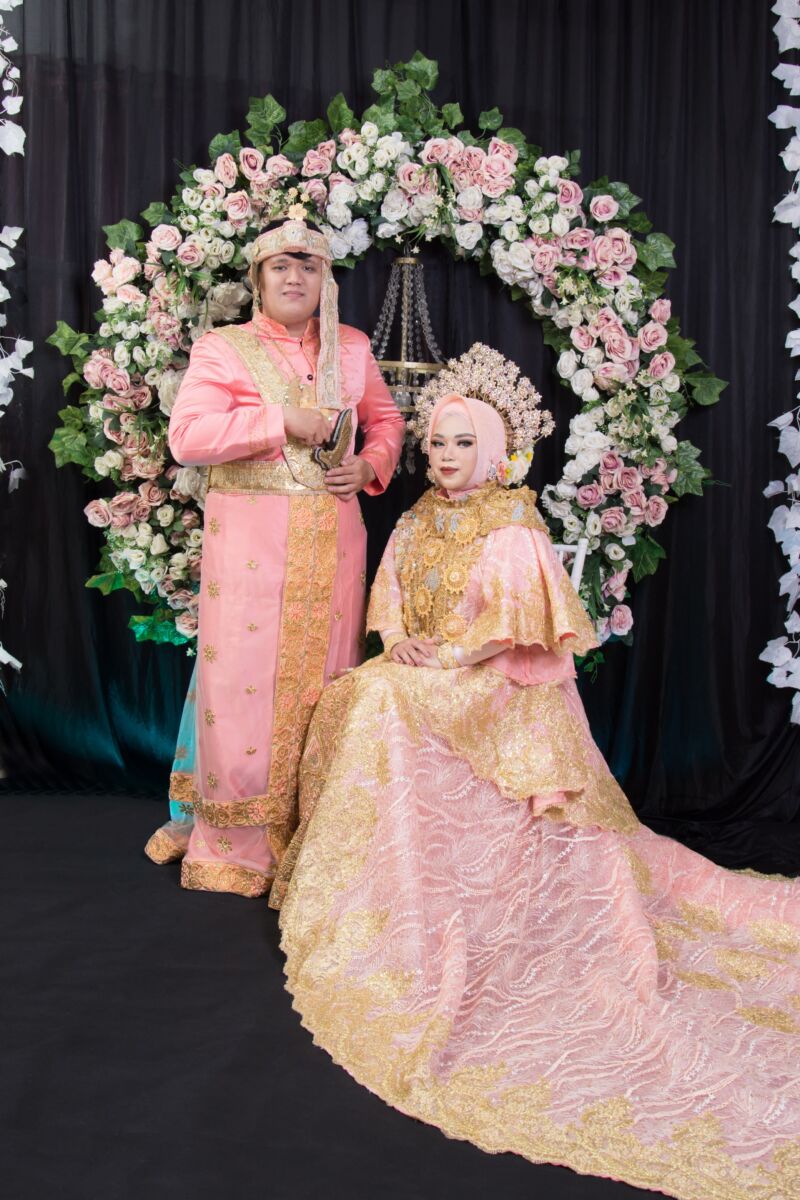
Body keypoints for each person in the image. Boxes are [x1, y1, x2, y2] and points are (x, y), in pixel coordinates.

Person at [270, 344, 800, 1198]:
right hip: (431, 671)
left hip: (498, 685)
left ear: (494, 452)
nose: (446, 457)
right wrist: (401, 640)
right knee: (363, 692)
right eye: (437, 443)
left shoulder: (513, 525)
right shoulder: (417, 517)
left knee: (386, 703)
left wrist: (446, 656)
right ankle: (382, 880)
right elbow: (392, 597)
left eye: (462, 444)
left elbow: (512, 631)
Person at [144, 218, 405, 897]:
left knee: (327, 679)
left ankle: (314, 833)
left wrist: (370, 465)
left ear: (326, 280)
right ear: (258, 279)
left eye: (309, 266)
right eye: (281, 266)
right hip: (250, 547)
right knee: (244, 683)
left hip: (334, 540)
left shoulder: (351, 347)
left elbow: (386, 420)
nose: (296, 278)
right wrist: (280, 421)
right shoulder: (224, 348)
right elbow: (188, 436)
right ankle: (239, 845)